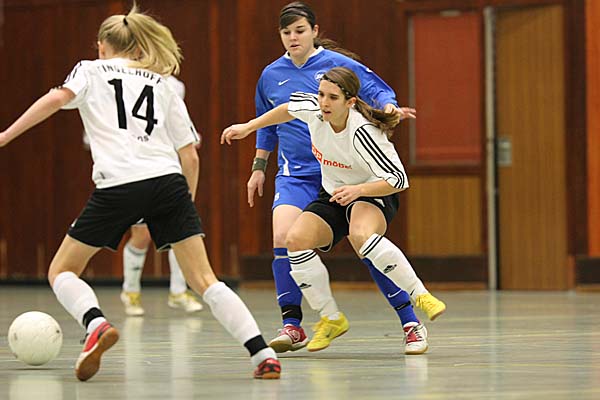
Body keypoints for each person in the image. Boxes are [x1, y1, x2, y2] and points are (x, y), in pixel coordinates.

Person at [0, 4, 280, 380]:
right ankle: (262, 354)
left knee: (62, 270)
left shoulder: (90, 70)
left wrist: (6, 135)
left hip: (119, 182)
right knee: (206, 280)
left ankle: (95, 324)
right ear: (135, 45)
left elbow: (55, 99)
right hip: (169, 182)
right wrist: (185, 204)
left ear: (102, 46)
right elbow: (190, 156)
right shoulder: (162, 83)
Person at [246, 1, 429, 355]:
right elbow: (268, 122)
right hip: (296, 173)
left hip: (342, 173)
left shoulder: (337, 66)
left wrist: (389, 108)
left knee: (365, 243)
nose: (293, 37)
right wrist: (258, 166)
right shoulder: (271, 75)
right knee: (284, 236)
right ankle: (293, 325)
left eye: (300, 30)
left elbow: (378, 90)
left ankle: (410, 322)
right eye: (286, 32)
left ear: (314, 31)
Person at [222, 66, 446, 352]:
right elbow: (287, 109)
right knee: (295, 240)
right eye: (321, 95)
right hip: (334, 193)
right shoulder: (316, 111)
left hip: (372, 192)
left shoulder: (364, 133)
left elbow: (398, 180)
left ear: (350, 102)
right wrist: (248, 126)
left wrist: (359, 190)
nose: (324, 102)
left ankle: (420, 296)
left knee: (360, 236)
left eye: (332, 97)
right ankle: (331, 318)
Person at [119, 75, 203, 317]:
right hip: (137, 169)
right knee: (142, 234)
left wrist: (188, 139)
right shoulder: (125, 79)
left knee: (179, 230)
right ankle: (130, 291)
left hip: (168, 169)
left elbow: (183, 128)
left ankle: (178, 291)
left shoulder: (174, 86)